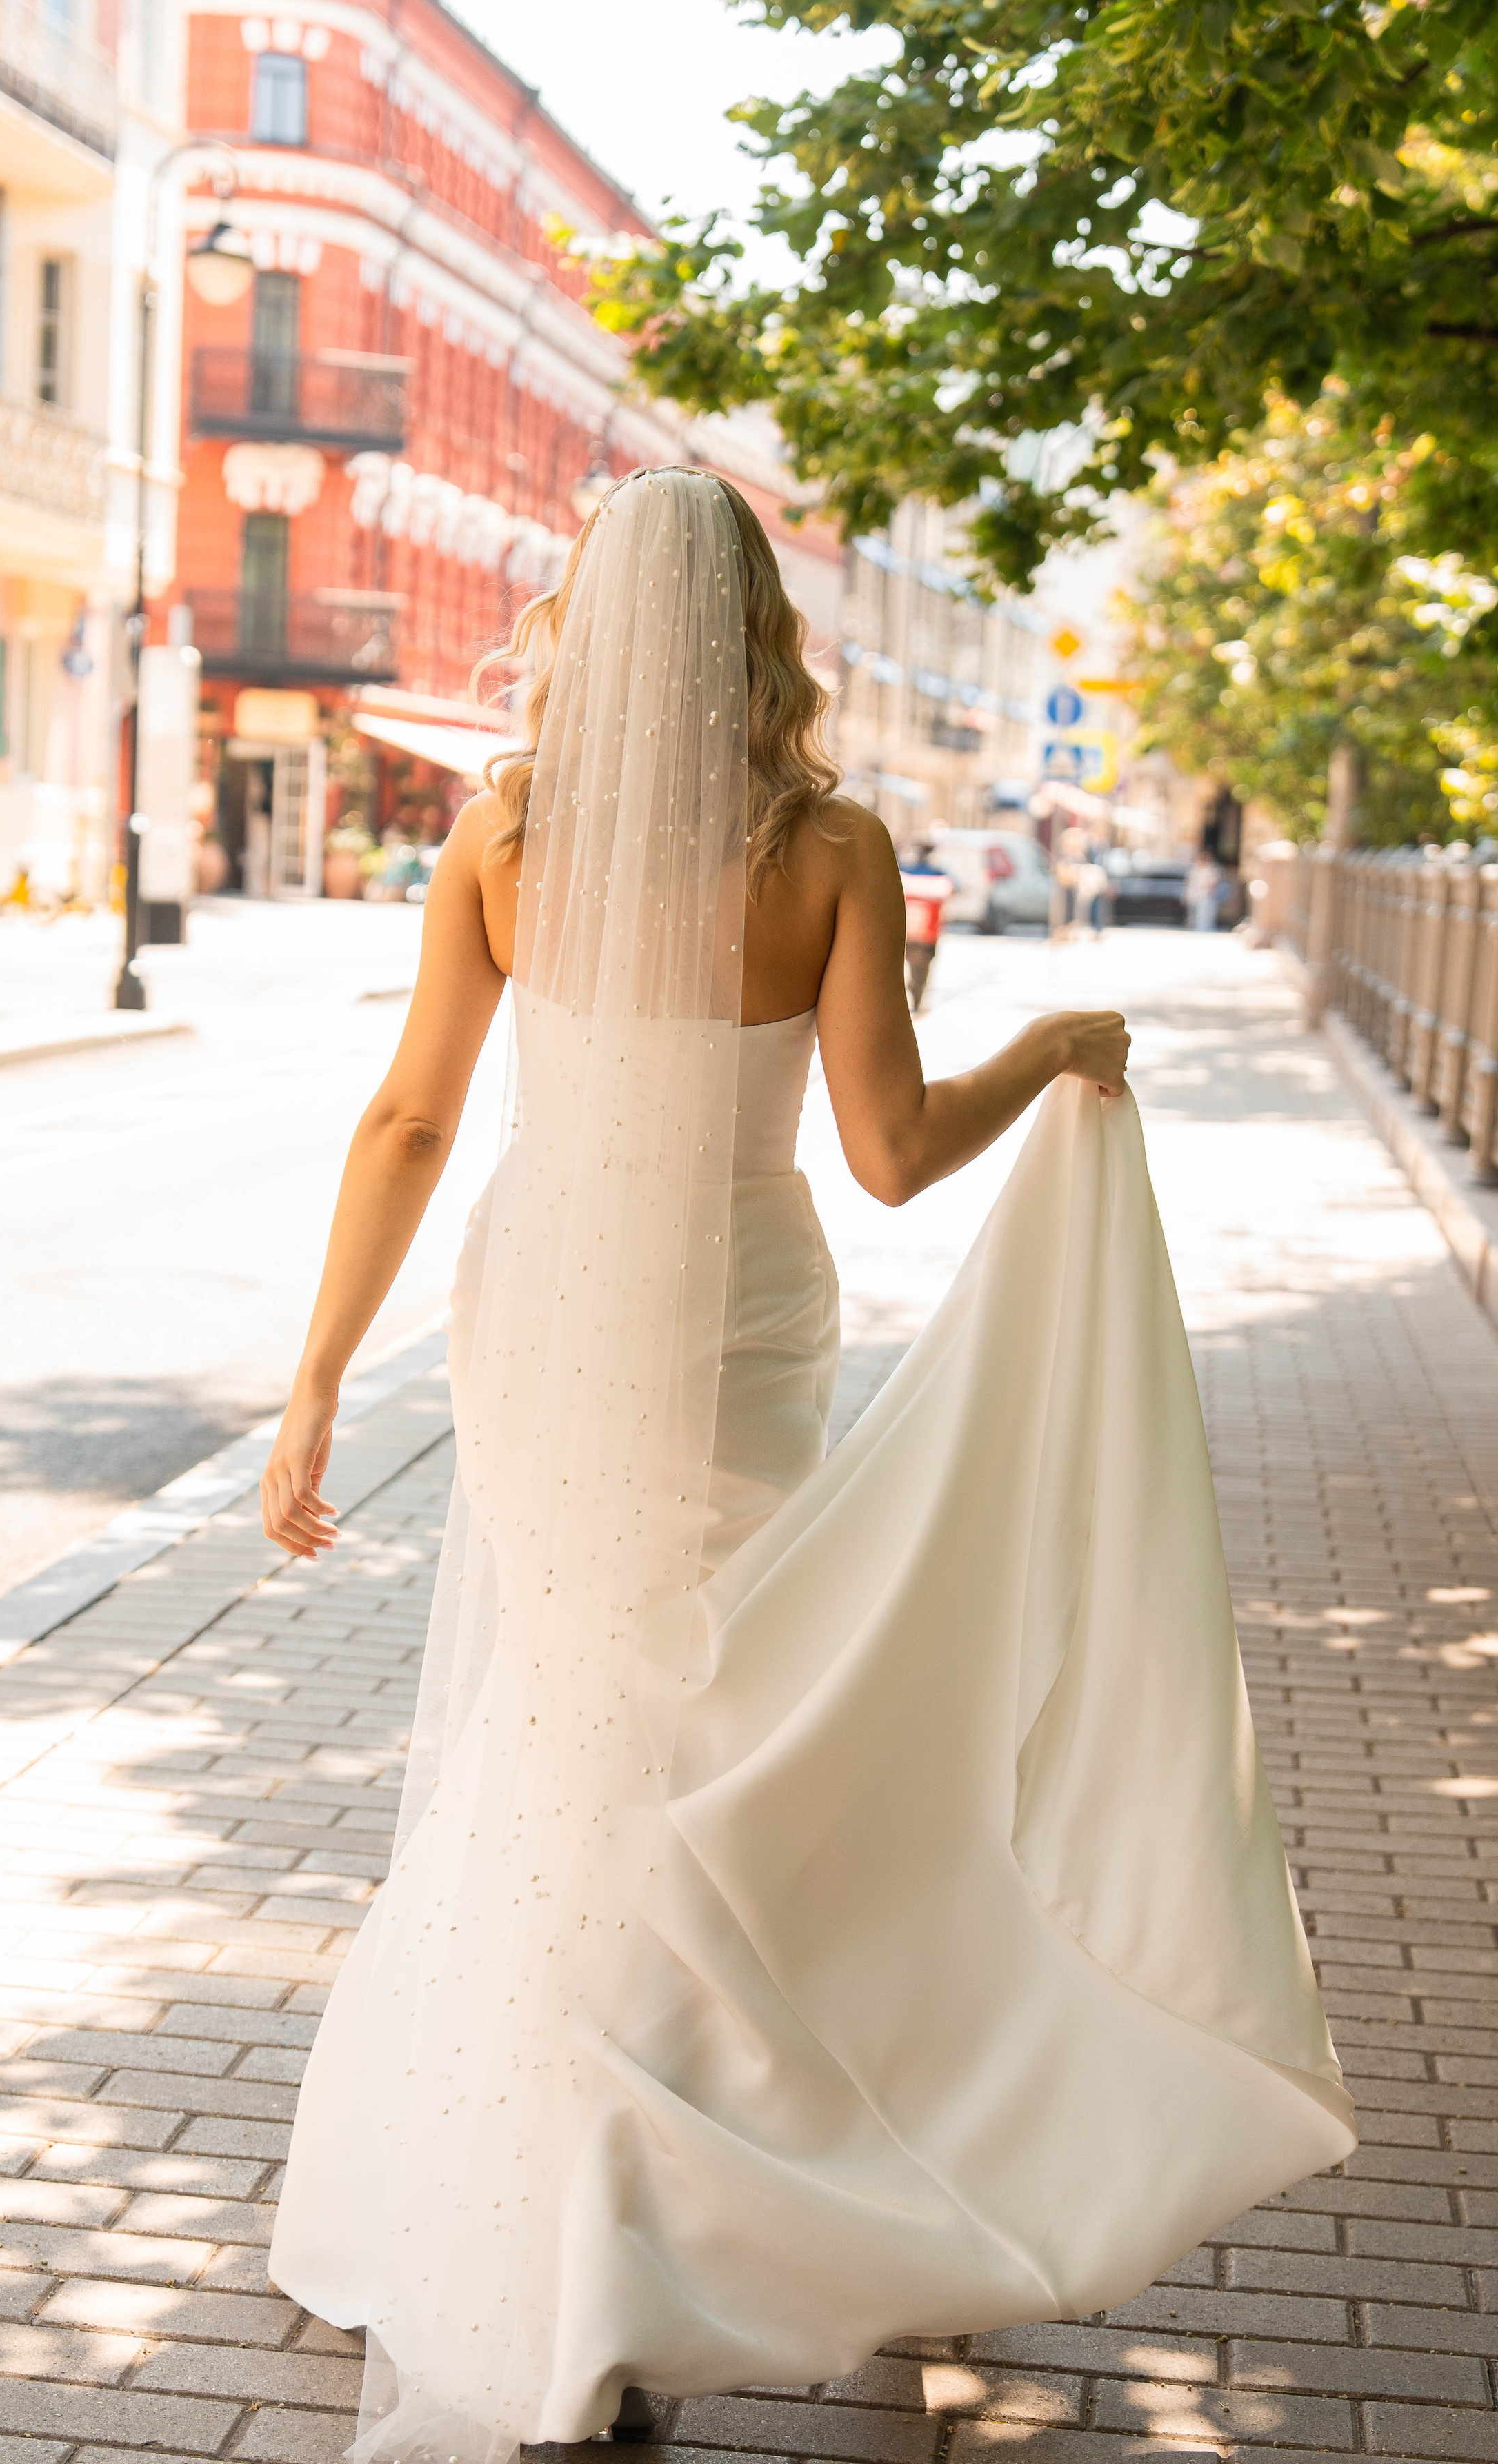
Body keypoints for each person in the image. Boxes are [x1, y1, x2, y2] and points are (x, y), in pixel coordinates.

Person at [261, 470, 1354, 2464]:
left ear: (589, 624)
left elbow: (410, 1123)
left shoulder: (502, 837)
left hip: (544, 1304)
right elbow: (891, 1151)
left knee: (564, 1712)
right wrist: (1057, 1054)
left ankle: (517, 2192)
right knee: (702, 1718)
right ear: (762, 634)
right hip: (744, 1318)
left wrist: (320, 1378)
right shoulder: (831, 849)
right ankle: (665, 2192)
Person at [897, 834, 952, 1008]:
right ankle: (917, 995)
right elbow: (953, 888)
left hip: (907, 931)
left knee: (908, 967)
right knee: (921, 970)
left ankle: (914, 994)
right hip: (927, 932)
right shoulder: (938, 874)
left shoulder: (905, 872)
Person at [1186, 850, 1222, 931]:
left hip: (1205, 894)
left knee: (1205, 915)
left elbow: (1212, 882)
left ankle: (1203, 929)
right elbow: (1190, 882)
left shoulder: (1210, 870)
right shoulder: (1195, 869)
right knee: (1195, 915)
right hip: (1195, 894)